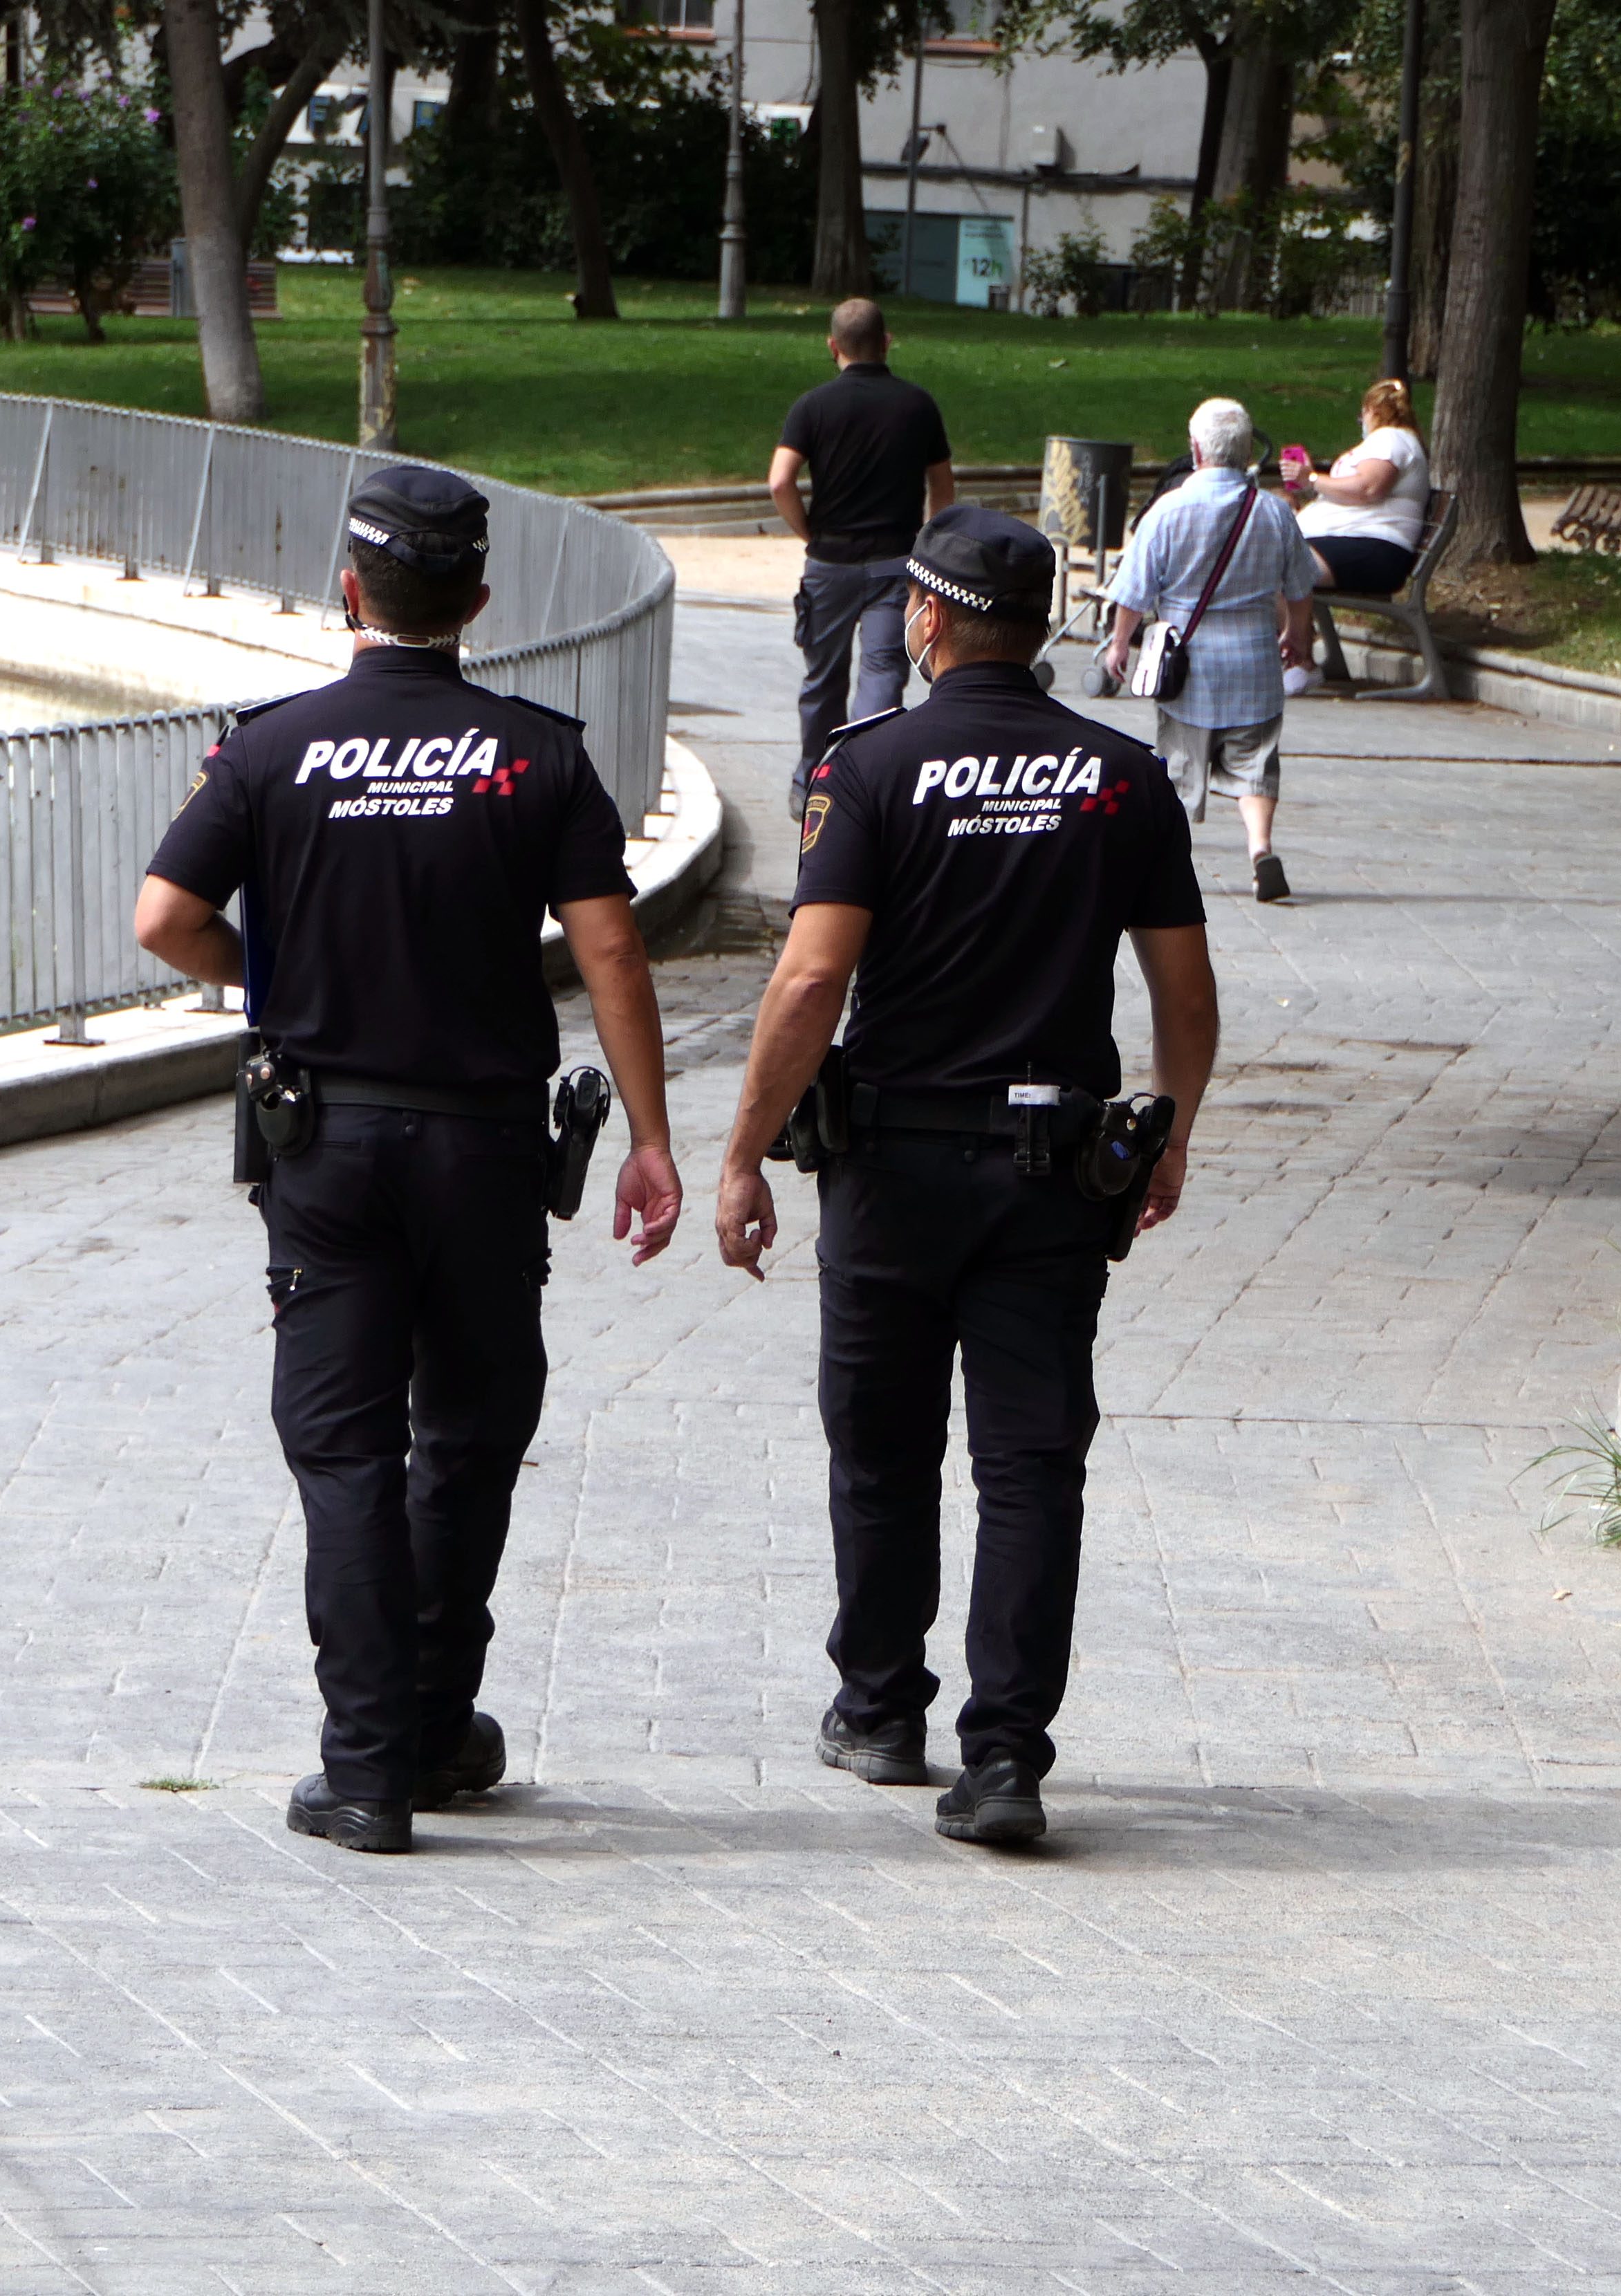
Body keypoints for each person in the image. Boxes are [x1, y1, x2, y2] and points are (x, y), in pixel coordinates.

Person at [134, 466, 683, 1856]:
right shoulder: (537, 754)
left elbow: (161, 918)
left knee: (343, 1455)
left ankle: (368, 1765)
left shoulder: (270, 748)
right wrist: (654, 1138)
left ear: (346, 593)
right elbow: (609, 945)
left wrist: (276, 974)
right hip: (486, 1151)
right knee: (467, 1438)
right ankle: (435, 1727)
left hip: (326, 1146)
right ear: (477, 604)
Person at [716, 506, 1219, 1847]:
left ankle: (879, 1708)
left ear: (924, 620)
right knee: (1027, 1462)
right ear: (1043, 625)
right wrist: (1165, 1129)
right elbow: (1183, 988)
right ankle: (1003, 1761)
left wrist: (743, 1147)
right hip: (1051, 1172)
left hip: (888, 1163)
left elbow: (812, 976)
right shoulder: (1118, 777)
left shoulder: (870, 765)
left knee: (878, 1447)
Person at [1105, 398, 1319, 905]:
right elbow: (1299, 588)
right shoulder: (1273, 511)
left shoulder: (1167, 510)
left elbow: (1132, 591)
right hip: (1254, 658)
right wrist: (1297, 637)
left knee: (1180, 761)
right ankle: (1260, 849)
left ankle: (1167, 865)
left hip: (1186, 662)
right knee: (1256, 761)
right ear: (1247, 451)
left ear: (1196, 449)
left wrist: (1118, 644)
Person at [770, 297, 958, 799]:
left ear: (832, 347)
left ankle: (810, 779)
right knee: (882, 674)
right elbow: (941, 485)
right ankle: (862, 785)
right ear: (886, 342)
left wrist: (808, 532)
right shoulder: (917, 406)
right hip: (896, 564)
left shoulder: (811, 407)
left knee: (821, 679)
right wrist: (927, 543)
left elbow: (779, 482)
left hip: (828, 562)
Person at [1278, 377, 1433, 598]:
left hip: (1370, 548)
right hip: (1350, 542)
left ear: (1370, 411)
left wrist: (1312, 479)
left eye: (1362, 417)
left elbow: (1367, 488)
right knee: (1264, 560)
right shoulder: (1393, 440)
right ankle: (1294, 630)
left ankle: (1294, 632)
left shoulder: (1390, 438)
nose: (1362, 423)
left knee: (1267, 567)